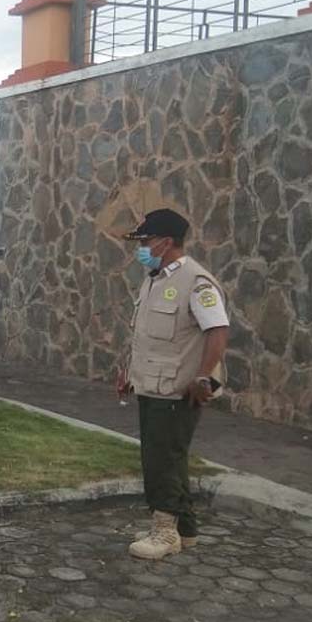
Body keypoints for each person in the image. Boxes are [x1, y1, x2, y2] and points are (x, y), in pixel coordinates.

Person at [116, 208, 229, 560]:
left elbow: (217, 330)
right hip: (151, 384)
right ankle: (186, 530)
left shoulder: (196, 282)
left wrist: (203, 377)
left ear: (166, 242)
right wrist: (129, 374)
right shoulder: (155, 278)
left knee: (161, 460)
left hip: (177, 388)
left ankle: (164, 532)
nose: (142, 249)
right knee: (170, 457)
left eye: (147, 241)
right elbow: (148, 337)